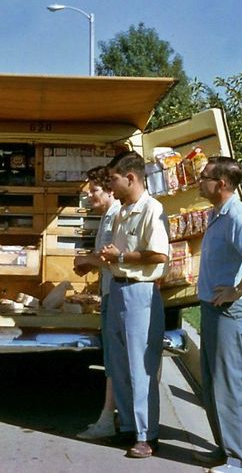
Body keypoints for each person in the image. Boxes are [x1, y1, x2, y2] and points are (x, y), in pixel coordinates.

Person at [195, 156, 242, 473]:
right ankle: (225, 450)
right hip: (214, 309)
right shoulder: (218, 214)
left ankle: (240, 462)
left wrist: (237, 290)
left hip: (230, 311)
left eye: (204, 177)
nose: (199, 181)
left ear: (221, 184)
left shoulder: (237, 214)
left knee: (229, 385)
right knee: (213, 383)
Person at [98, 151, 170, 459]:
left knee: (141, 366)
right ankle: (127, 425)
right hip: (118, 288)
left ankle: (146, 434)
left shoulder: (152, 209)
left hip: (140, 291)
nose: (110, 186)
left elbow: (159, 254)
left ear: (131, 177)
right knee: (119, 363)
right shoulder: (123, 210)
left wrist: (122, 257)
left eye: (113, 178)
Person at [73, 166, 121, 440]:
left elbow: (112, 258)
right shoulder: (105, 216)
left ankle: (107, 419)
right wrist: (90, 265)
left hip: (115, 293)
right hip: (108, 292)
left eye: (94, 190)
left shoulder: (115, 216)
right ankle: (112, 417)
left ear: (110, 190)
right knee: (112, 359)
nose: (90, 196)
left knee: (114, 361)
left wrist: (87, 261)